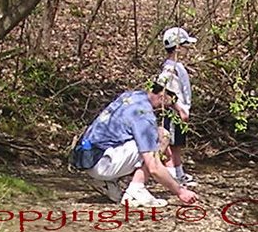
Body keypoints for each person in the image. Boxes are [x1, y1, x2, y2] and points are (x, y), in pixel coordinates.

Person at [75, 77, 199, 208]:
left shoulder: (131, 96)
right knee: (162, 136)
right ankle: (136, 189)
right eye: (172, 101)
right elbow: (154, 167)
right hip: (102, 163)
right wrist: (180, 191)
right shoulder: (144, 116)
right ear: (163, 96)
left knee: (152, 135)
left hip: (88, 158)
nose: (170, 107)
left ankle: (108, 182)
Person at [158, 26, 195, 185]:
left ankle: (179, 174)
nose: (188, 50)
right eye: (185, 46)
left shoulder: (177, 67)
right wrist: (179, 108)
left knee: (177, 145)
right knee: (170, 144)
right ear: (177, 47)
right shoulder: (170, 68)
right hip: (173, 113)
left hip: (179, 111)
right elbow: (162, 89)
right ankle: (172, 176)